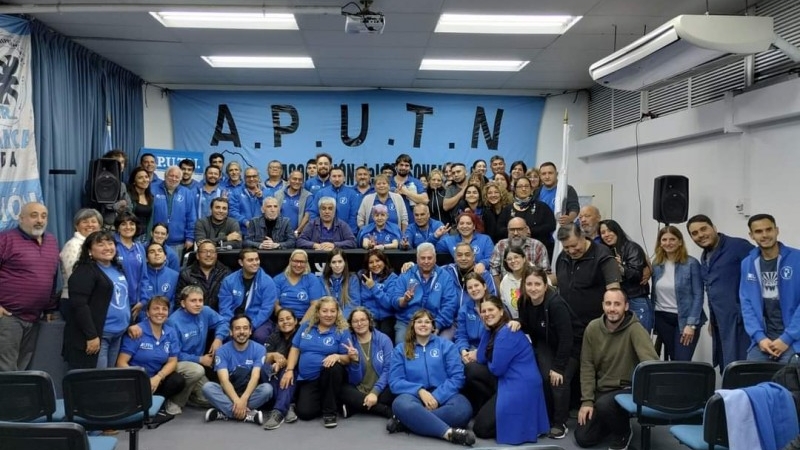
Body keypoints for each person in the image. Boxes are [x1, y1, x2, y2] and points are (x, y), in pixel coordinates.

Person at [575, 289, 659, 449]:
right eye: (608, 303)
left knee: (605, 404)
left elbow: (651, 364)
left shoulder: (636, 330)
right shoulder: (592, 328)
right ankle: (612, 422)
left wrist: (645, 393)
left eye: (617, 304)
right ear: (602, 305)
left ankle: (623, 433)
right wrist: (587, 401)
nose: (612, 308)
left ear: (626, 306)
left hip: (627, 389)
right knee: (583, 438)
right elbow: (587, 366)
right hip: (602, 392)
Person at [387, 309, 475, 446]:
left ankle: (407, 422)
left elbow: (457, 377)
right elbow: (395, 381)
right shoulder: (400, 349)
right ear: (413, 325)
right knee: (399, 404)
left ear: (433, 326)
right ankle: (449, 433)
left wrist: (437, 397)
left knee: (464, 409)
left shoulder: (447, 346)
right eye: (419, 321)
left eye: (427, 322)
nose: (423, 325)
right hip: (413, 396)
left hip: (444, 395)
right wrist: (420, 391)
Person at [473, 296, 549, 444]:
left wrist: (491, 361)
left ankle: (515, 420)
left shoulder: (506, 333)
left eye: (491, 310)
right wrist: (486, 329)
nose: (486, 314)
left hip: (520, 385)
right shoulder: (495, 330)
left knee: (480, 429)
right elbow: (481, 357)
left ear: (501, 311)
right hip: (509, 379)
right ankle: (500, 411)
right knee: (472, 370)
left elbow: (496, 369)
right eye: (483, 311)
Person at [515, 266, 577, 439]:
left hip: (570, 346)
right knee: (542, 377)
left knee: (558, 379)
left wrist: (558, 367)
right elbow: (528, 324)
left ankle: (560, 423)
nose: (533, 288)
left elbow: (567, 338)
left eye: (537, 284)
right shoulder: (523, 302)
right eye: (529, 284)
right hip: (546, 343)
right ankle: (546, 418)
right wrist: (518, 322)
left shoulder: (556, 304)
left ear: (545, 285)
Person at [686, 214, 753, 369]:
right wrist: (713, 319)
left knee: (742, 367)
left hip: (742, 322)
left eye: (703, 229)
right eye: (694, 233)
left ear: (714, 228)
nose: (700, 235)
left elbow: (759, 272)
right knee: (727, 365)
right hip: (720, 322)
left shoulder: (738, 246)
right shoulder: (705, 256)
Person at [280, 297, 352, 428]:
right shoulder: (306, 327)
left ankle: (330, 412)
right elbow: (295, 349)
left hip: (330, 376)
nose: (329, 315)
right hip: (308, 379)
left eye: (332, 311)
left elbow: (348, 358)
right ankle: (337, 400)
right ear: (318, 312)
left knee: (333, 366)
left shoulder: (342, 330)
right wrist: (289, 370)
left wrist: (337, 356)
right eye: (325, 311)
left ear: (337, 313)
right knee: (305, 413)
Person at [64, 230, 131, 370]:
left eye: (110, 243)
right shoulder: (85, 271)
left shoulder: (116, 268)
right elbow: (79, 305)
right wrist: (92, 336)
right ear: (89, 250)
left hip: (117, 334)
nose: (107, 247)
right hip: (98, 337)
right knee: (95, 382)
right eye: (100, 244)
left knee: (107, 380)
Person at [740, 214, 800, 362]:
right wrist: (759, 337)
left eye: (769, 229)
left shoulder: (797, 259)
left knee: (789, 380)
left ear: (776, 230)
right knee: (749, 377)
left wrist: (786, 338)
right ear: (751, 235)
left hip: (794, 339)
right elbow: (746, 304)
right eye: (759, 231)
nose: (765, 235)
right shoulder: (747, 263)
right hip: (763, 340)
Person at [554, 223, 621, 352]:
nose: (572, 251)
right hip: (569, 329)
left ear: (583, 236)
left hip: (597, 329)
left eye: (574, 245)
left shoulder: (603, 254)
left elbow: (614, 290)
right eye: (566, 247)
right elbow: (560, 280)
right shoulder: (562, 257)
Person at [166, 285, 227, 415]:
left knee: (210, 399)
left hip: (196, 363)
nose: (198, 304)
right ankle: (175, 401)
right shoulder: (173, 322)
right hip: (176, 363)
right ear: (183, 303)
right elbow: (173, 354)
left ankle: (191, 394)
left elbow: (223, 323)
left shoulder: (205, 311)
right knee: (197, 370)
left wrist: (218, 339)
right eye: (193, 301)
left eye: (200, 300)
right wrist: (199, 359)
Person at [202, 313, 272, 425]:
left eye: (245, 328)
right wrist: (236, 400)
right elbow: (224, 381)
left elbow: (255, 376)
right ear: (231, 332)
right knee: (208, 387)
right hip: (228, 392)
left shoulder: (259, 349)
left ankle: (226, 412)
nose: (242, 332)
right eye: (237, 328)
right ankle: (247, 415)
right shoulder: (222, 351)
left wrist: (243, 399)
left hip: (249, 392)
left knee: (267, 389)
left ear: (250, 331)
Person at [117, 296, 186, 408]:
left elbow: (172, 361)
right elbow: (121, 363)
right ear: (148, 313)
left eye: (164, 309)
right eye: (156, 308)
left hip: (155, 378)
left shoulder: (170, 332)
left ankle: (157, 404)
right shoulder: (137, 331)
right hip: (136, 379)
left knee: (177, 380)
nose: (160, 312)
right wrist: (142, 380)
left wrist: (158, 378)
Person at [651, 226, 705, 361]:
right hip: (662, 318)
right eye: (664, 239)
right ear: (660, 242)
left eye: (672, 239)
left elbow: (698, 295)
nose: (668, 243)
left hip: (685, 320)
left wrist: (691, 324)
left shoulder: (691, 263)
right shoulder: (656, 264)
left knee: (682, 360)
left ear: (680, 241)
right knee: (673, 360)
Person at [390, 243, 459, 343]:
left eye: (429, 258)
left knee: (440, 348)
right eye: (423, 258)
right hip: (407, 322)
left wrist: (437, 325)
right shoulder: (406, 274)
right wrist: (404, 300)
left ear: (435, 259)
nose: (426, 261)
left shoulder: (445, 277)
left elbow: (450, 305)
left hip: (435, 321)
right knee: (402, 346)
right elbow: (393, 300)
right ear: (417, 259)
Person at [341, 307, 395, 418]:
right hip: (359, 389)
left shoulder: (384, 340)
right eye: (355, 321)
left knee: (396, 388)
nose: (359, 323)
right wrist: (355, 361)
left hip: (382, 389)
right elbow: (354, 380)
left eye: (363, 320)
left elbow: (388, 370)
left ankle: (356, 406)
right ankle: (383, 410)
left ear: (369, 321)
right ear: (350, 324)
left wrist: (375, 392)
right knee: (342, 390)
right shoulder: (349, 343)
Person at [599, 219, 652, 332]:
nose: (606, 235)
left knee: (640, 343)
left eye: (610, 231)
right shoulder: (603, 251)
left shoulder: (631, 247)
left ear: (617, 231)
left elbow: (637, 275)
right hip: (616, 303)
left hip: (635, 300)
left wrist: (620, 268)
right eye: (603, 232)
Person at [218, 248, 278, 343]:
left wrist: (250, 326)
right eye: (250, 260)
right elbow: (225, 308)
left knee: (260, 335)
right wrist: (234, 325)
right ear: (241, 262)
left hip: (259, 320)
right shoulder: (229, 281)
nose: (255, 263)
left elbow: (266, 310)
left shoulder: (267, 281)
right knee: (224, 334)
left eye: (257, 259)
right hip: (234, 319)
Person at [59, 208, 103, 318]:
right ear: (76, 226)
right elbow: (74, 277)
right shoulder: (73, 245)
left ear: (100, 225)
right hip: (75, 300)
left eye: (93, 221)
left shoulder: (99, 246)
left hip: (93, 300)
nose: (90, 225)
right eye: (85, 222)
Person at [497, 176, 556, 258]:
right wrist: (516, 232)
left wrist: (531, 231)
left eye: (526, 186)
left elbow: (551, 225)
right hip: (513, 252)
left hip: (537, 251)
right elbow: (499, 229)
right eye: (520, 186)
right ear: (515, 189)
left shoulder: (542, 207)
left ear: (531, 189)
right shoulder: (508, 209)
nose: (523, 189)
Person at [262, 308, 301, 430]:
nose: (285, 322)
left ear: (295, 321)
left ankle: (278, 412)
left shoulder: (302, 335)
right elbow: (263, 356)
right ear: (277, 324)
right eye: (281, 320)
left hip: (296, 373)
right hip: (276, 375)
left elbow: (299, 358)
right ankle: (288, 404)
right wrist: (273, 356)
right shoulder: (273, 336)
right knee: (264, 367)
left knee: (288, 371)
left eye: (288, 319)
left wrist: (283, 364)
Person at [489, 217, 549, 289]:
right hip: (507, 288)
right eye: (512, 230)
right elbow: (494, 271)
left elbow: (544, 273)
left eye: (519, 229)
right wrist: (501, 291)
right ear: (508, 231)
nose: (515, 233)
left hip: (532, 290)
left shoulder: (538, 246)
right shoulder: (500, 245)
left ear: (526, 230)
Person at [152, 165, 197, 256]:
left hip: (178, 243)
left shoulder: (187, 193)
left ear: (180, 179)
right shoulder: (152, 189)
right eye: (171, 175)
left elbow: (191, 217)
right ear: (165, 176)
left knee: (175, 268)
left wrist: (190, 238)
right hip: (155, 239)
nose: (174, 179)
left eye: (177, 177)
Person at [176, 239, 231, 312]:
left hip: (219, 317)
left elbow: (230, 302)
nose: (208, 255)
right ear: (197, 256)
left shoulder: (226, 273)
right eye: (204, 251)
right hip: (193, 317)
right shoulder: (186, 274)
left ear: (216, 255)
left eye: (211, 252)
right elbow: (179, 301)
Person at [273, 249, 327, 323]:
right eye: (296, 261)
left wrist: (301, 325)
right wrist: (287, 321)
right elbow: (275, 304)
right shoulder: (278, 279)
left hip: (305, 321)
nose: (298, 265)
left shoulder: (312, 279)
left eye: (302, 262)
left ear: (306, 263)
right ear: (290, 261)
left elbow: (315, 305)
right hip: (284, 321)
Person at [357, 250, 398, 340]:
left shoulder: (392, 277)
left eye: (378, 260)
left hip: (388, 316)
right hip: (370, 317)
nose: (375, 264)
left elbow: (389, 304)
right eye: (371, 262)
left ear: (384, 261)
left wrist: (373, 287)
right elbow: (361, 301)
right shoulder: (362, 277)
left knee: (385, 335)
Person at [307, 167, 360, 232]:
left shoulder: (352, 194)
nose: (337, 179)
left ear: (344, 178)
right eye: (334, 176)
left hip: (345, 233)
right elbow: (313, 213)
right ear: (330, 178)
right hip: (323, 232)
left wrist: (350, 233)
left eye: (339, 176)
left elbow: (353, 216)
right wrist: (318, 230)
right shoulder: (321, 193)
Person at [114, 213, 146, 311]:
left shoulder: (139, 247)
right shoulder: (112, 246)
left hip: (135, 303)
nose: (128, 227)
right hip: (116, 302)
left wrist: (143, 300)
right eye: (123, 224)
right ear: (118, 228)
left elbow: (144, 276)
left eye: (131, 223)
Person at [535, 162, 580, 226]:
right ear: (540, 176)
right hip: (542, 230)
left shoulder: (567, 189)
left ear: (556, 174)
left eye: (550, 173)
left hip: (561, 229)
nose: (547, 176)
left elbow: (574, 207)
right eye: (544, 174)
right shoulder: (537, 191)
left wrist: (570, 218)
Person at [139, 242, 180, 310]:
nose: (157, 253)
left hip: (168, 317)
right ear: (146, 258)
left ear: (165, 257)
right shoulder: (140, 275)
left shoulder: (175, 276)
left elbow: (175, 301)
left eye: (160, 251)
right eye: (152, 252)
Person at [322, 249, 361, 318]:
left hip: (346, 320)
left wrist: (341, 319)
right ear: (329, 264)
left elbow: (354, 303)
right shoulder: (322, 279)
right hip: (328, 318)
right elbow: (321, 303)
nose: (337, 265)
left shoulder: (352, 279)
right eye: (333, 262)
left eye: (340, 261)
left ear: (344, 263)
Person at [273, 170, 311, 235]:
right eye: (294, 179)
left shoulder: (308, 196)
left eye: (300, 180)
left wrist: (297, 231)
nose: (297, 181)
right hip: (279, 234)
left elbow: (307, 217)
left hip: (298, 234)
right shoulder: (277, 194)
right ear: (289, 179)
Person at [229, 167, 264, 231]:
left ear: (258, 177)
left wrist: (261, 199)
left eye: (254, 176)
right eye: (248, 177)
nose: (251, 179)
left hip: (262, 231)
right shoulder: (235, 192)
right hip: (242, 231)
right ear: (244, 178)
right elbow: (232, 212)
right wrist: (245, 222)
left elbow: (271, 211)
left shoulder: (266, 192)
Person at [498, 246, 529, 318]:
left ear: (524, 258)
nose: (513, 261)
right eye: (509, 259)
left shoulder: (535, 275)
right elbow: (505, 307)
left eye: (516, 257)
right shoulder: (505, 282)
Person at [127, 166, 154, 240]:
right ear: (134, 181)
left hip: (145, 237)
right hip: (130, 236)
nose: (145, 180)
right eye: (140, 178)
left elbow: (150, 220)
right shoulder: (128, 196)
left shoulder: (151, 198)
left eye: (146, 177)